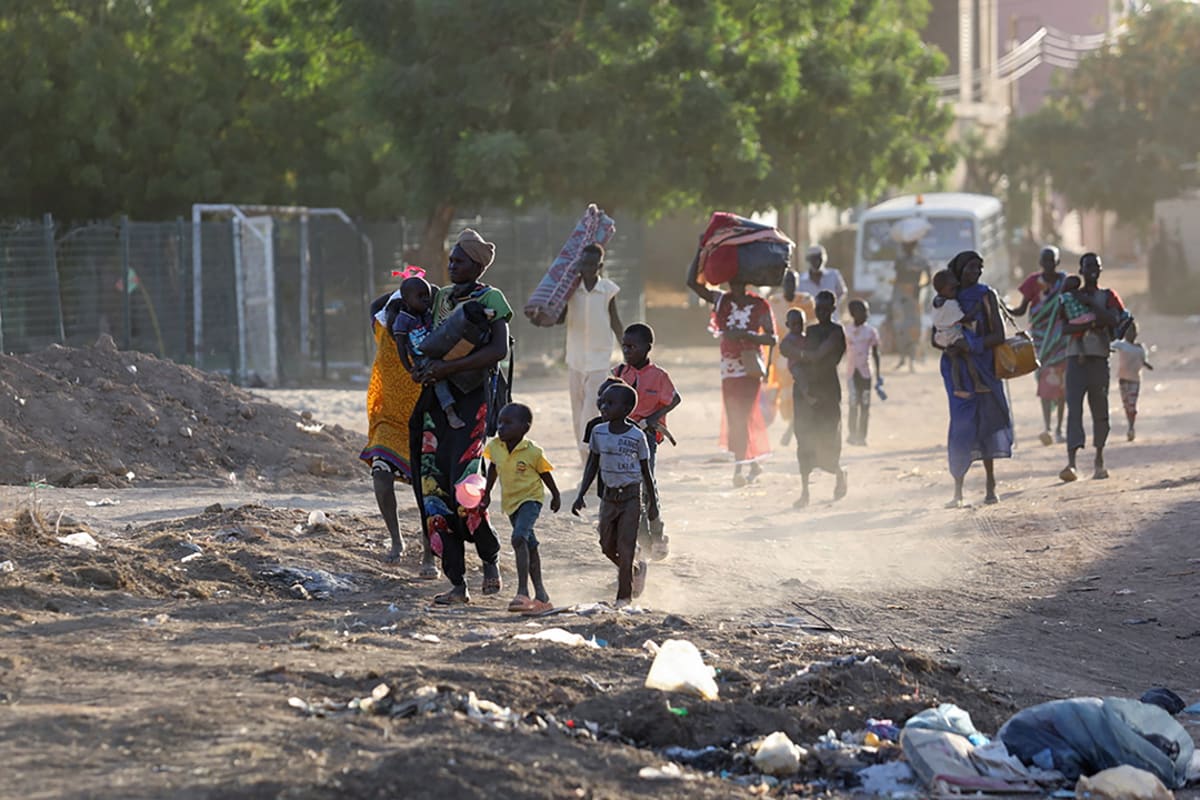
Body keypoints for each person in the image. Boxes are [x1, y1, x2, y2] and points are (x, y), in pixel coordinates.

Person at [409, 228, 513, 605]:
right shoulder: (439, 299)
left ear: (478, 265)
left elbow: (498, 350)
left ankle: (489, 559)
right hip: (436, 406)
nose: (452, 265)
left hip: (472, 403)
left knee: (466, 490)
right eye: (451, 260)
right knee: (434, 491)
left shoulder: (491, 298)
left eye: (460, 260)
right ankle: (457, 582)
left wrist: (446, 371)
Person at [686, 253, 777, 487]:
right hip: (729, 367)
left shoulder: (759, 304)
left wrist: (748, 335)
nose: (734, 283)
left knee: (741, 414)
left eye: (738, 278)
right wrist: (701, 250)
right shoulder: (721, 301)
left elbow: (772, 338)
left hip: (749, 366)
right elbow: (692, 283)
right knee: (736, 414)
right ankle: (752, 461)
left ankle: (738, 469)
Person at [934, 251, 1013, 508]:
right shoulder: (946, 298)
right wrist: (950, 347)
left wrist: (972, 345)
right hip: (958, 373)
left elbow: (999, 335)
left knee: (987, 424)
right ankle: (958, 490)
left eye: (979, 267)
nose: (976, 272)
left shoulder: (986, 294)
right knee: (961, 426)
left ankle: (990, 486)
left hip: (984, 368)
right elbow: (934, 335)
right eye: (970, 267)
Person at [571, 382, 660, 607]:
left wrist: (652, 504)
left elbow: (646, 471)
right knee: (606, 544)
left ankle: (624, 598)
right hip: (608, 497)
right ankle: (633, 568)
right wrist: (581, 494)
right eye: (602, 402)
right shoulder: (598, 432)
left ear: (626, 408)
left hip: (631, 497)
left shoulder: (637, 436)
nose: (603, 406)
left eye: (610, 403)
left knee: (625, 546)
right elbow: (592, 463)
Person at [360, 282, 425, 565]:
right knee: (381, 477)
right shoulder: (383, 332)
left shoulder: (426, 335)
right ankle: (396, 541)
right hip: (389, 421)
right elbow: (376, 305)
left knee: (427, 493)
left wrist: (418, 292)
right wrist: (404, 288)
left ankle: (429, 554)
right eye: (395, 312)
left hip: (424, 421)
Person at [481, 403, 561, 615]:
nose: (501, 427)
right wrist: (487, 493)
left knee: (518, 539)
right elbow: (493, 469)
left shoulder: (533, 451)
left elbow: (545, 473)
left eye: (508, 423)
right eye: (499, 422)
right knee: (529, 544)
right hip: (511, 503)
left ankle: (522, 592)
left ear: (524, 428)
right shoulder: (495, 446)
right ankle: (542, 596)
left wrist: (556, 494)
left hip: (531, 499)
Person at [612, 323, 681, 560]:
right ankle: (642, 538)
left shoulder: (659, 377)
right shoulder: (619, 374)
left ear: (647, 348)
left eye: (632, 346)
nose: (627, 350)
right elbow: (607, 399)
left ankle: (657, 533)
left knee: (646, 484)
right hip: (621, 437)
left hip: (646, 438)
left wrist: (651, 419)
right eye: (624, 346)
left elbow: (675, 399)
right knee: (629, 487)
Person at [1058, 252, 1126, 482]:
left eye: (1096, 266)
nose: (1092, 271)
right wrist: (1094, 320)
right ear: (1081, 270)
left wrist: (1090, 308)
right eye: (1088, 267)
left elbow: (1115, 320)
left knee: (1100, 411)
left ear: (1100, 269)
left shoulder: (1107, 296)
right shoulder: (1069, 297)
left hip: (1098, 359)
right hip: (1075, 359)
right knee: (1074, 410)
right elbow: (1063, 328)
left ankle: (1099, 459)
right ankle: (1072, 463)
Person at [780, 291, 847, 508]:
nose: (822, 312)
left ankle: (838, 472)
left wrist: (799, 355)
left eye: (826, 309)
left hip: (827, 391)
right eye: (819, 308)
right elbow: (785, 347)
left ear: (833, 309)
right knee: (805, 439)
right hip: (806, 392)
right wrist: (800, 357)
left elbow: (817, 355)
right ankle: (805, 492)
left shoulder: (837, 331)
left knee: (828, 438)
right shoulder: (811, 330)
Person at [562, 243, 622, 463]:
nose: (587, 268)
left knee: (591, 408)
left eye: (592, 264)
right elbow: (559, 318)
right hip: (575, 358)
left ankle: (591, 454)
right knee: (577, 409)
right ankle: (584, 457)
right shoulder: (570, 290)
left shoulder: (608, 290)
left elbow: (615, 320)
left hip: (599, 358)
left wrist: (626, 347)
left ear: (600, 266)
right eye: (584, 263)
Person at [1007, 246, 1069, 445]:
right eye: (1045, 261)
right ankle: (1047, 427)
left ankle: (1059, 428)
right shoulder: (1033, 282)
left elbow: (1072, 305)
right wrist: (1002, 307)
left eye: (1052, 261)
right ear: (1040, 263)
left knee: (1062, 386)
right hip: (1041, 341)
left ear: (1058, 262)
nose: (1049, 265)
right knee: (1046, 384)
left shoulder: (1065, 281)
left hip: (1062, 340)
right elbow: (1021, 310)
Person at [390, 275, 466, 429]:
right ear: (406, 300)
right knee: (438, 379)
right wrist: (410, 368)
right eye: (420, 296)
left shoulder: (427, 313)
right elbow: (401, 347)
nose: (425, 299)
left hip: (437, 351)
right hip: (422, 358)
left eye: (427, 296)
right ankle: (449, 411)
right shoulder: (403, 320)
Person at [931, 269, 989, 400]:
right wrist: (977, 308)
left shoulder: (936, 302)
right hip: (952, 336)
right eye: (952, 289)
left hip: (940, 337)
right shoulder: (951, 304)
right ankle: (977, 383)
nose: (955, 292)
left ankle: (958, 388)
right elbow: (965, 318)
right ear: (944, 289)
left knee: (955, 361)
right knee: (969, 356)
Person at [844, 299, 882, 446]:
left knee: (865, 405)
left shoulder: (871, 332)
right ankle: (852, 434)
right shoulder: (846, 331)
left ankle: (862, 436)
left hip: (866, 373)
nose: (867, 314)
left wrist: (878, 374)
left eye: (867, 311)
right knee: (853, 404)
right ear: (853, 314)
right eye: (863, 311)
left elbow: (875, 353)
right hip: (851, 373)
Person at [888, 239, 930, 371]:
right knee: (900, 328)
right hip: (901, 297)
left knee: (914, 328)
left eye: (909, 246)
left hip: (914, 297)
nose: (907, 248)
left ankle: (912, 359)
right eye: (905, 246)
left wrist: (920, 287)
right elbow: (896, 277)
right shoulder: (899, 261)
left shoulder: (921, 261)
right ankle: (902, 358)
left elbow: (928, 278)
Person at [1112, 321, 1152, 441]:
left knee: (1132, 405)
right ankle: (1130, 426)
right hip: (1123, 380)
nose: (1131, 334)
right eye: (1129, 331)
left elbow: (1143, 360)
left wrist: (1147, 365)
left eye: (1133, 332)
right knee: (1127, 405)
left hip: (1135, 380)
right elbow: (1110, 346)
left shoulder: (1141, 348)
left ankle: (1131, 427)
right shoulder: (1121, 345)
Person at [794, 245, 847, 320]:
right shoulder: (801, 280)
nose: (817, 262)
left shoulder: (833, 275)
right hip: (810, 322)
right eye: (814, 259)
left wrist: (829, 306)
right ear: (809, 260)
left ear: (824, 259)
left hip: (832, 321)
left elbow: (841, 293)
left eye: (819, 259)